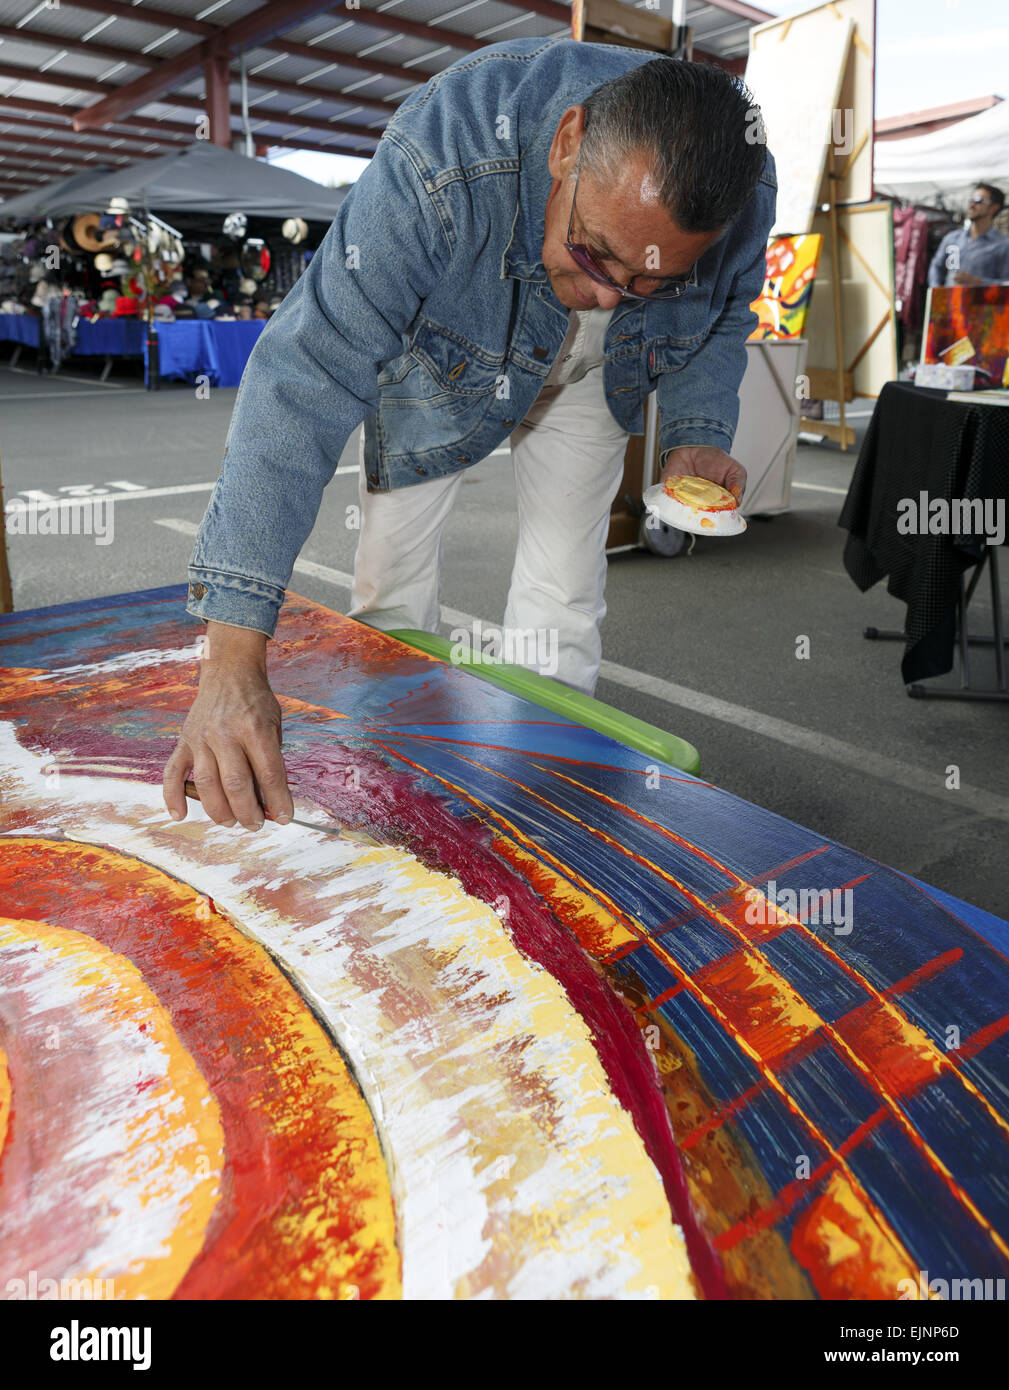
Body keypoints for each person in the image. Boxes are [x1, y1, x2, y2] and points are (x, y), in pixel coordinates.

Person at [163, 35, 776, 831]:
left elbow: (725, 313)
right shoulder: (441, 153)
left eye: (652, 282)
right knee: (393, 588)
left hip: (601, 376)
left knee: (564, 589)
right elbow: (303, 378)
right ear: (566, 144)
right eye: (594, 254)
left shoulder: (743, 183)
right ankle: (383, 789)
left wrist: (694, 428)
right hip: (442, 354)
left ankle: (542, 807)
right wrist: (231, 664)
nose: (611, 299)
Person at [927, 183, 1009, 287]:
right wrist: (936, 291)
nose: (972, 205)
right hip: (950, 302)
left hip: (981, 302)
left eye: (978, 201)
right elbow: (937, 266)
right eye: (971, 200)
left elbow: (1006, 284)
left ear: (994, 208)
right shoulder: (952, 239)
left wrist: (979, 282)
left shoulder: (1003, 245)